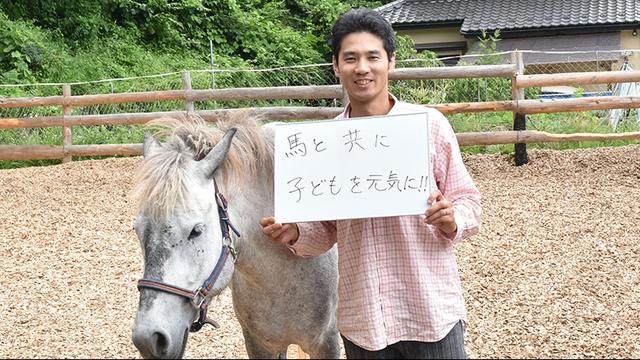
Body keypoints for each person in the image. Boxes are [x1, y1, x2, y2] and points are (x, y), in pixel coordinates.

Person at [260, 8, 481, 359]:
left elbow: (469, 201)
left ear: (390, 62)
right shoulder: (325, 142)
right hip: (365, 321)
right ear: (336, 66)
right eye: (350, 58)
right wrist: (295, 233)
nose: (362, 68)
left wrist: (452, 218)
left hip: (430, 311)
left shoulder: (430, 126)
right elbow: (327, 230)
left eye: (372, 57)